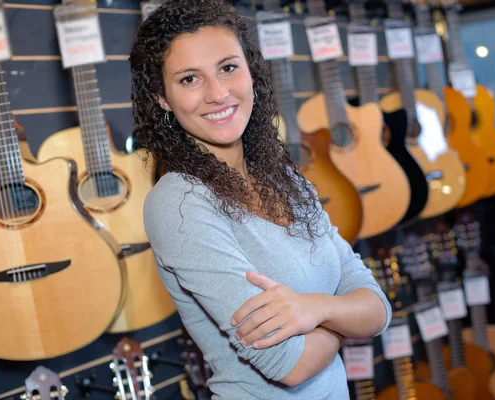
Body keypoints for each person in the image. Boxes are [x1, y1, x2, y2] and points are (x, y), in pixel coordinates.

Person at [129, 0, 391, 398]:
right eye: (189, 79)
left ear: (251, 72)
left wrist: (314, 309)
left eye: (228, 68)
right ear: (162, 98)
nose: (218, 94)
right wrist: (343, 314)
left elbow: (378, 308)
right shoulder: (179, 203)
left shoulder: (286, 178)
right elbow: (291, 363)